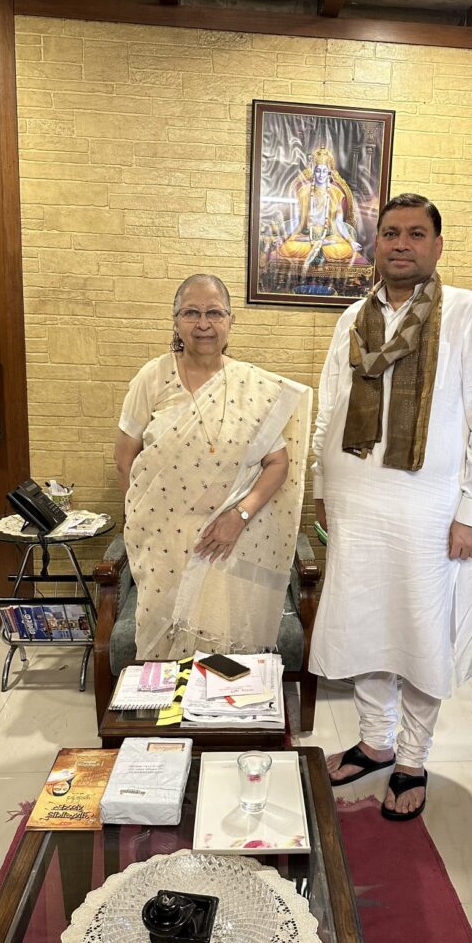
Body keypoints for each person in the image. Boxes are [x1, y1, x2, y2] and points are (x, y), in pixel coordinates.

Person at [311, 193, 472, 820]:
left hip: (430, 510)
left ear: (437, 245)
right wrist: (321, 482)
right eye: (390, 233)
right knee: (363, 626)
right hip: (356, 504)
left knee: (421, 632)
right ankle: (375, 742)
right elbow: (330, 405)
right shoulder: (353, 317)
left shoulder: (469, 313)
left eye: (416, 234)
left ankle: (413, 758)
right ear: (376, 245)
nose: (401, 244)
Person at [114, 273, 311, 661]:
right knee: (162, 653)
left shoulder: (252, 385)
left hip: (229, 543)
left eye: (214, 313)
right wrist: (147, 520)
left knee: (221, 663)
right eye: (191, 312)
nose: (203, 324)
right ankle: (164, 719)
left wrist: (238, 515)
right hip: (163, 545)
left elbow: (278, 463)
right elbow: (125, 458)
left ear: (230, 320)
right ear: (175, 320)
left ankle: (218, 721)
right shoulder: (151, 378)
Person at [275, 147, 362, 270]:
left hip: (328, 237)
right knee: (287, 248)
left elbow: (339, 222)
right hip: (306, 236)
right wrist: (283, 237)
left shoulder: (336, 193)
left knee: (344, 249)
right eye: (318, 171)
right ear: (313, 171)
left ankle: (319, 247)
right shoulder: (303, 191)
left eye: (324, 171)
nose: (321, 175)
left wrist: (350, 241)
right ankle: (315, 246)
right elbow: (296, 220)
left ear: (329, 172)